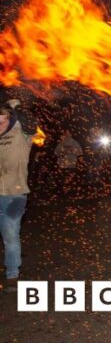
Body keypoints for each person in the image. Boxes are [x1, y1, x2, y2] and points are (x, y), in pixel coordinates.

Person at [0, 99, 36, 293]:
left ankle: (12, 275)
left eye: (3, 121)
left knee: (10, 235)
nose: (0, 125)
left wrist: (17, 107)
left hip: (15, 195)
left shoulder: (21, 134)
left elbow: (30, 122)